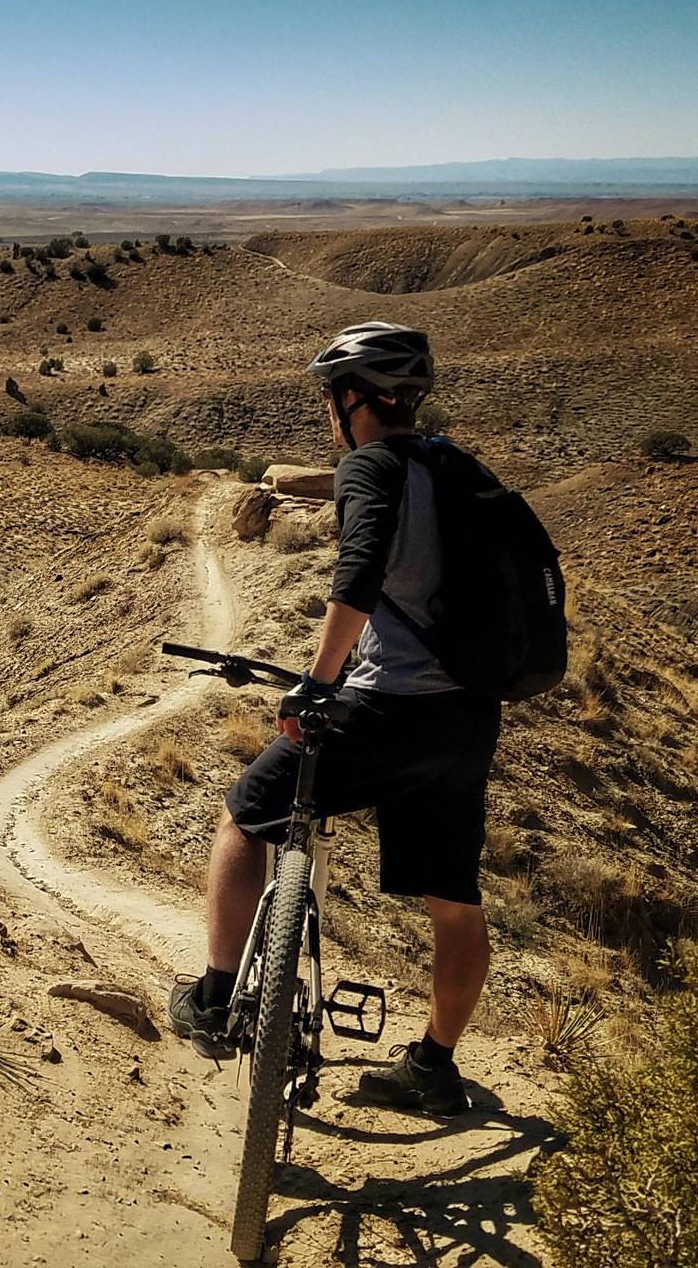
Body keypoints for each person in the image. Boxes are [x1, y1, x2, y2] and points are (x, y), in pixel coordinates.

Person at [166, 321, 502, 1116]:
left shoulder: (369, 468)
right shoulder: (458, 467)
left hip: (387, 710)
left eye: (330, 394)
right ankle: (433, 1068)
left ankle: (215, 1000)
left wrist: (317, 685)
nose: (329, 409)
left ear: (352, 399)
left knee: (244, 819)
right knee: (453, 898)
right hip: (468, 718)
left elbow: (356, 577)